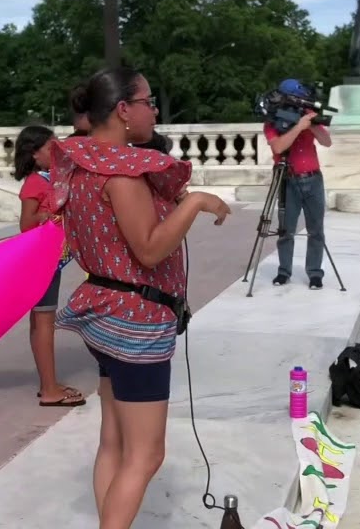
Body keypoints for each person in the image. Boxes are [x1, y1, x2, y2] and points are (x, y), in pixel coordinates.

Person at [51, 67, 231, 529]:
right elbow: (149, 249)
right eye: (149, 101)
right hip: (134, 322)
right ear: (123, 110)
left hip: (103, 311)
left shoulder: (84, 161)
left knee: (114, 441)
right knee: (146, 454)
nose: (154, 109)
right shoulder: (122, 174)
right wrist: (194, 204)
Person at [13, 124, 86, 408]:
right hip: (40, 262)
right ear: (34, 153)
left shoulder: (49, 179)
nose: (57, 153)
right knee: (44, 323)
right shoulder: (35, 183)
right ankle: (50, 390)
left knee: (41, 322)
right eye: (50, 148)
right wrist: (44, 214)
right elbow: (25, 224)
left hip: (47, 262)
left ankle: (48, 383)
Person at [263, 79, 333, 289]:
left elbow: (326, 142)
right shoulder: (273, 121)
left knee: (316, 230)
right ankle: (284, 272)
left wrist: (310, 125)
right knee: (286, 230)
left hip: (313, 179)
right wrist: (297, 127)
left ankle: (315, 273)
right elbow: (278, 147)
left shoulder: (308, 116)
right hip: (287, 180)